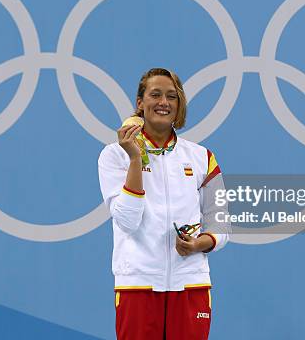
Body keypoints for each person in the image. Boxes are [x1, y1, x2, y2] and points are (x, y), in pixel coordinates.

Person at [98, 68, 230, 339]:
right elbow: (127, 221)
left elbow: (221, 223)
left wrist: (197, 244)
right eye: (155, 94)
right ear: (139, 103)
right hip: (139, 285)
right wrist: (135, 159)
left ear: (179, 105)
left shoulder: (202, 157)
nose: (164, 102)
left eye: (172, 96)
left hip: (191, 285)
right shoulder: (114, 156)